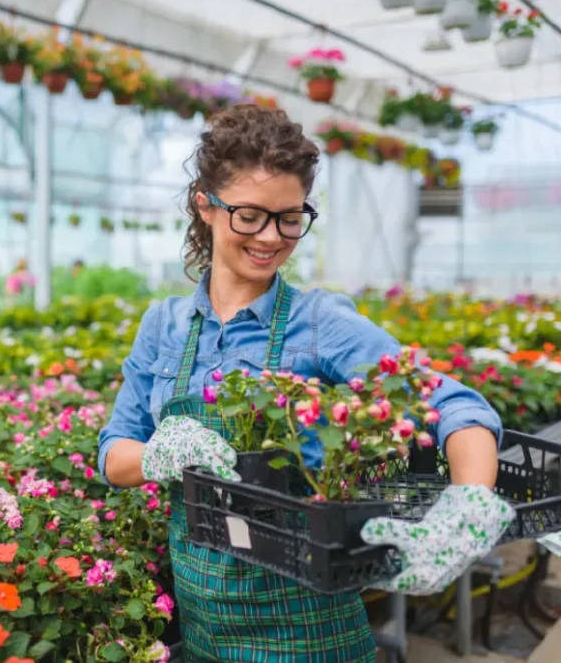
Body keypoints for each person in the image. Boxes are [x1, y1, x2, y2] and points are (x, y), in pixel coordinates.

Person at [97, 105, 514, 662]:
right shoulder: (164, 328)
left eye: (290, 218)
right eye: (250, 215)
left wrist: (469, 504)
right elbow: (113, 453)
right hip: (204, 634)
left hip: (311, 637)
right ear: (206, 206)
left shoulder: (319, 323)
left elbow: (455, 406)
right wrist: (157, 454)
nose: (271, 237)